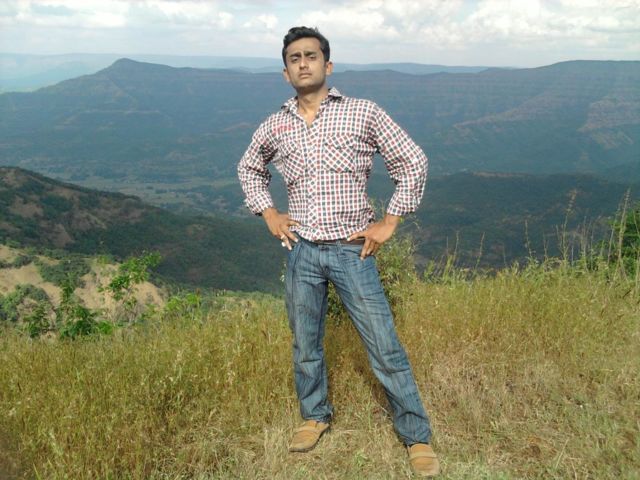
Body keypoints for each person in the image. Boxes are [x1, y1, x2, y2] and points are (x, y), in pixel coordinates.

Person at [238, 26, 439, 477]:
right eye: (294, 58)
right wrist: (269, 213)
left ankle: (416, 435)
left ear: (327, 65)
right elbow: (249, 167)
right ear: (285, 72)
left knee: (384, 345)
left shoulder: (363, 112)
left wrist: (390, 221)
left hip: (353, 250)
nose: (303, 63)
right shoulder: (275, 124)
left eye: (311, 56)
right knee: (306, 342)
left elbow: (413, 161)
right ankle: (315, 416)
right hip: (302, 251)